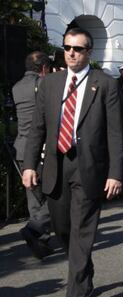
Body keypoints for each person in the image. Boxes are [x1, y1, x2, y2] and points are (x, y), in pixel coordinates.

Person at [22, 27, 123, 297]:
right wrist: (30, 164)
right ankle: (85, 272)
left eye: (78, 49)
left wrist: (116, 173)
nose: (70, 53)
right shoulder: (51, 84)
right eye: (67, 47)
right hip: (56, 167)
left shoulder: (104, 84)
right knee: (62, 230)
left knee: (82, 232)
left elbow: (116, 133)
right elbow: (37, 129)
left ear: (88, 53)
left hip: (88, 169)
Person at [12, 51, 53, 259]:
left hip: (21, 147)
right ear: (44, 68)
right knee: (55, 194)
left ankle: (40, 240)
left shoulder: (16, 86)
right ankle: (36, 229)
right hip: (40, 149)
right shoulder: (43, 85)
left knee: (33, 196)